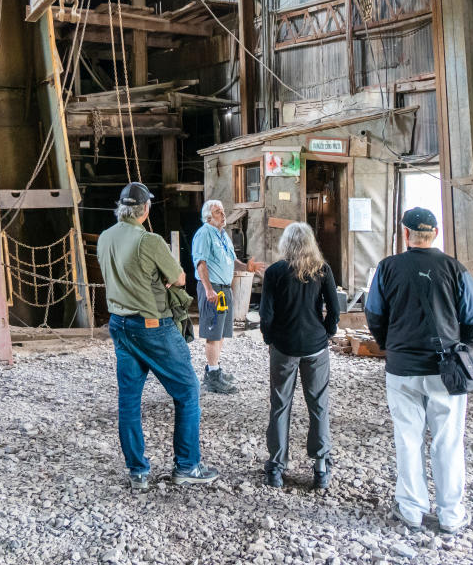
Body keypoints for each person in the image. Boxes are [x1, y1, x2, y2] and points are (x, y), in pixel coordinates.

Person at [97, 182, 220, 491]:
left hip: (119, 325)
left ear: (121, 208)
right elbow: (179, 277)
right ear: (146, 209)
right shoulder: (149, 240)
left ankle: (137, 472)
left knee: (129, 400)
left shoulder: (105, 237)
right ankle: (187, 465)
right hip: (152, 326)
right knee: (188, 391)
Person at [366, 208, 473, 534]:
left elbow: (374, 314)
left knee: (407, 437)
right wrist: (461, 349)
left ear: (405, 234)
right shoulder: (454, 268)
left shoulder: (388, 268)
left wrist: (390, 344)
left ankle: (412, 508)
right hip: (446, 369)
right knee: (448, 441)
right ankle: (450, 514)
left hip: (402, 368)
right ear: (436, 233)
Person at [259, 222, 342, 489]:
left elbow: (266, 314)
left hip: (284, 346)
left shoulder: (274, 272)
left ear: (286, 244)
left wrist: (269, 339)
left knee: (280, 405)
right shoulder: (322, 270)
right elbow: (334, 308)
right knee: (318, 405)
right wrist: (327, 332)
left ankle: (276, 466)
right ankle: (320, 467)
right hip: (315, 346)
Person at [191, 199, 265, 393]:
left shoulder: (222, 234)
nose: (223, 215)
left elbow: (232, 261)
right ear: (208, 216)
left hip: (224, 289)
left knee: (221, 332)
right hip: (213, 288)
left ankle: (214, 369)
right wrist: (208, 289)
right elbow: (201, 263)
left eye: (223, 211)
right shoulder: (205, 233)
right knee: (212, 332)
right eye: (217, 212)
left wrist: (247, 267)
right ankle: (213, 377)